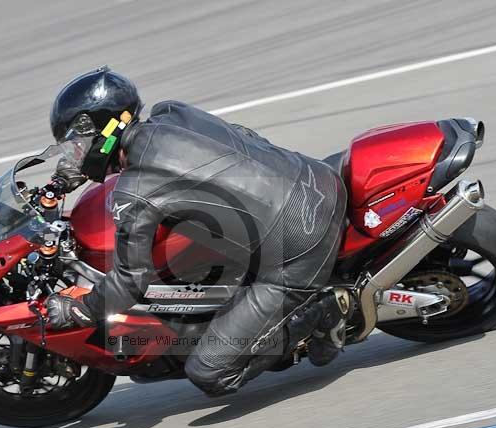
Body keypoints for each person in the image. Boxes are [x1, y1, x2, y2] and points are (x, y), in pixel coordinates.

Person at [45, 66, 349, 396]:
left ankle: (322, 313)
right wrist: (69, 177)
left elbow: (130, 282)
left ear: (102, 133)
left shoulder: (135, 191)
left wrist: (79, 308)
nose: (73, 155)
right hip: (316, 179)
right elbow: (245, 136)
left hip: (298, 246)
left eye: (75, 146)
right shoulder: (171, 112)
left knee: (210, 371)